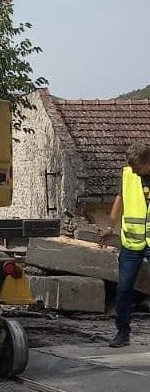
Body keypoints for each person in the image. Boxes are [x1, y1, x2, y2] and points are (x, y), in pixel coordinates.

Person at [101, 142, 150, 348]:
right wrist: (110, 227)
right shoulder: (128, 174)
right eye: (131, 166)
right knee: (123, 289)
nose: (133, 170)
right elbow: (120, 200)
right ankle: (123, 333)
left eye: (137, 167)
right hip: (131, 243)